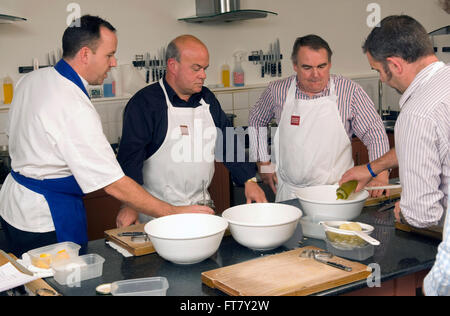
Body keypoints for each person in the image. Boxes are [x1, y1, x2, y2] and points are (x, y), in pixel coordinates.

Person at [0, 16, 213, 257]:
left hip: (14, 205)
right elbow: (114, 182)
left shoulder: (32, 79)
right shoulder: (77, 104)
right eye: (109, 55)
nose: (114, 63)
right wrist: (172, 212)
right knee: (59, 286)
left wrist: (247, 179)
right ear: (84, 55)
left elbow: (228, 139)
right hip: (45, 216)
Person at [116, 35, 267, 226]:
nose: (203, 75)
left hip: (201, 209)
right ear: (173, 65)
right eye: (196, 68)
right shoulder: (145, 104)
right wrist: (129, 205)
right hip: (156, 215)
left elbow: (227, 143)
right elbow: (130, 160)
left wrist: (249, 180)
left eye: (205, 69)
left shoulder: (207, 99)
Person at [248, 35, 390, 202]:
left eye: (322, 66)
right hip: (290, 195)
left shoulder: (349, 91)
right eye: (307, 67)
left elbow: (375, 133)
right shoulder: (277, 91)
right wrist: (264, 164)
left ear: (329, 64)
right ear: (295, 66)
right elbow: (256, 120)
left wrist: (380, 174)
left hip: (337, 193)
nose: (315, 75)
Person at [340, 15, 449, 229]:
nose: (381, 79)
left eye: (379, 71)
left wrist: (404, 213)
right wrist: (372, 168)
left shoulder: (416, 113)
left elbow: (423, 215)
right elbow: (434, 145)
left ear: (395, 65)